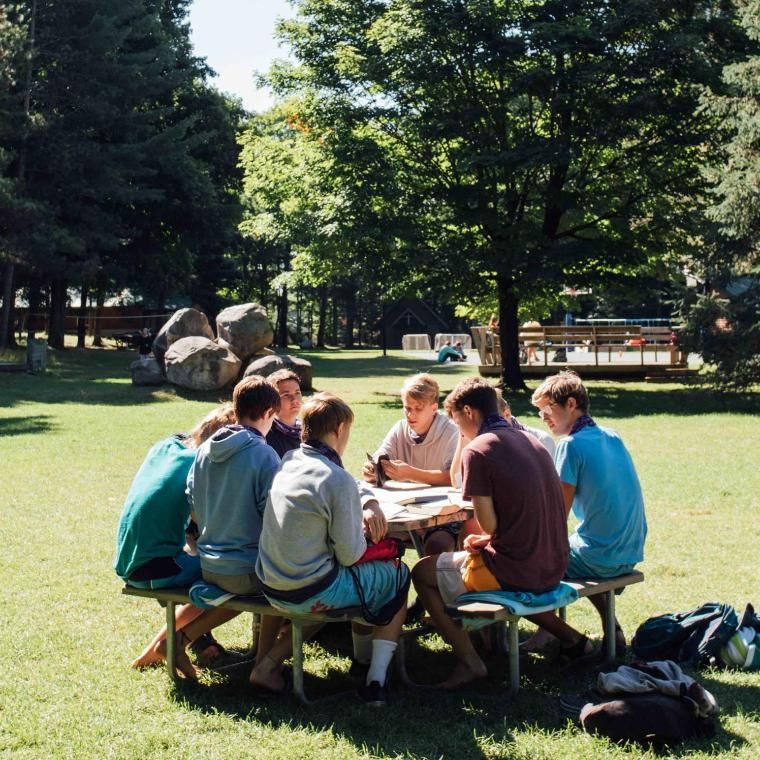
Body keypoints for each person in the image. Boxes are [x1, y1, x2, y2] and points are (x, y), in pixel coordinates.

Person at [412, 377, 596, 688]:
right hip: (554, 562)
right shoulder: (532, 441)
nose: (459, 431)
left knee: (422, 572)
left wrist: (489, 536)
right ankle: (574, 640)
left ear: (468, 412)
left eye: (457, 422)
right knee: (495, 568)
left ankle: (470, 662)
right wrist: (492, 539)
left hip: (517, 569)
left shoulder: (479, 450)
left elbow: (489, 525)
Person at [256, 393, 408, 706]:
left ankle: (268, 666)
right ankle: (374, 678)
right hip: (310, 590)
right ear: (339, 429)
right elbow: (350, 555)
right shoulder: (335, 478)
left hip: (272, 582)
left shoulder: (289, 461)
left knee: (350, 582)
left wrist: (366, 501)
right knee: (396, 575)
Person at [114, 404, 237, 675]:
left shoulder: (167, 446)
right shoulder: (201, 466)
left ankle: (157, 649)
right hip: (155, 567)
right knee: (232, 577)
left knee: (213, 569)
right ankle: (170, 643)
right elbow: (209, 522)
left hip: (127, 560)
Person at [530, 370, 647, 652]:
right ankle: (612, 630)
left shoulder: (570, 445)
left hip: (602, 554)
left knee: (527, 562)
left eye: (548, 409)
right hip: (630, 549)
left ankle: (556, 633)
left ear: (571, 404)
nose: (544, 417)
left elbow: (558, 516)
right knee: (574, 548)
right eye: (539, 412)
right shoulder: (612, 435)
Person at [186, 376, 289, 689]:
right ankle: (264, 664)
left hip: (208, 563)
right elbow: (273, 516)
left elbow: (191, 499)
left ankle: (182, 638)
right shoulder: (263, 454)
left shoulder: (206, 449)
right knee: (283, 584)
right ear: (269, 412)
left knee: (264, 579)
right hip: (244, 567)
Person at [362, 373, 459, 555]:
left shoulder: (452, 431)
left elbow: (453, 478)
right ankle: (388, 580)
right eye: (406, 408)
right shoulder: (400, 428)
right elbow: (380, 456)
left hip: (446, 516)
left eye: (417, 408)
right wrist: (371, 469)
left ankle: (428, 582)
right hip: (405, 513)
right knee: (367, 533)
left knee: (438, 545)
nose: (410, 414)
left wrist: (410, 474)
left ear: (433, 408)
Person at [265, 368, 303, 457]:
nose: (294, 400)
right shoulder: (266, 435)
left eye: (297, 393)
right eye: (286, 395)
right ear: (272, 400)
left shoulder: (309, 431)